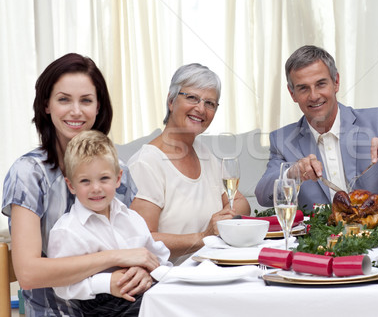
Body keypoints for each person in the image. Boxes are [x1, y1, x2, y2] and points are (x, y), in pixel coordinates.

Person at [2, 53, 159, 316]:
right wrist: (117, 257)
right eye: (64, 99)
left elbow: (137, 244)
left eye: (86, 100)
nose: (76, 111)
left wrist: (141, 272)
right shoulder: (28, 174)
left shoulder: (120, 172)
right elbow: (28, 273)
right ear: (46, 105)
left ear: (98, 107)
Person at [255, 45, 378, 210]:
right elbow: (263, 196)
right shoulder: (282, 139)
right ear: (292, 93)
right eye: (303, 88)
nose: (314, 96)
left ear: (336, 82)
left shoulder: (377, 121)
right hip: (319, 242)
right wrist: (292, 174)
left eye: (321, 84)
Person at [128, 63, 251, 265]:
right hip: (167, 282)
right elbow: (143, 241)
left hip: (209, 274)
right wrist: (205, 236)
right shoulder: (147, 163)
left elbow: (241, 204)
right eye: (192, 97)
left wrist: (224, 222)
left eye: (210, 103)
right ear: (171, 101)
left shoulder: (204, 154)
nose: (201, 109)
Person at [47, 130, 172, 316]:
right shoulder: (67, 230)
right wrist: (106, 283)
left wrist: (147, 272)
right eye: (85, 181)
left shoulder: (132, 218)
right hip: (101, 305)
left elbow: (160, 259)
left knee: (179, 302)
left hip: (142, 291)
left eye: (104, 178)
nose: (96, 188)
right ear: (71, 185)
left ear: (118, 179)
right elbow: (61, 284)